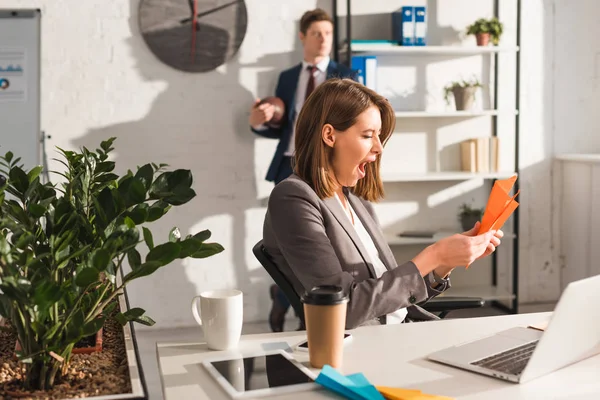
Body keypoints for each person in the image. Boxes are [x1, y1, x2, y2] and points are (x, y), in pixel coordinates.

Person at [262, 78, 503, 329]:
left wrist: (445, 263)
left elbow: (389, 294)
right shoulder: (293, 197)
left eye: (379, 136)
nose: (379, 147)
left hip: (402, 331)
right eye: (367, 135)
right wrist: (433, 255)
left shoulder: (354, 200)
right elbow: (342, 310)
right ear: (329, 135)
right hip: (363, 348)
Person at [249, 8, 358, 332]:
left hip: (329, 166)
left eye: (328, 32)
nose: (324, 39)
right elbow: (282, 125)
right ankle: (298, 304)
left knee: (328, 240)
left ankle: (291, 300)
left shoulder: (346, 75)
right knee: (287, 242)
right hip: (289, 164)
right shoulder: (286, 78)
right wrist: (260, 122)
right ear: (303, 37)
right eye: (316, 33)